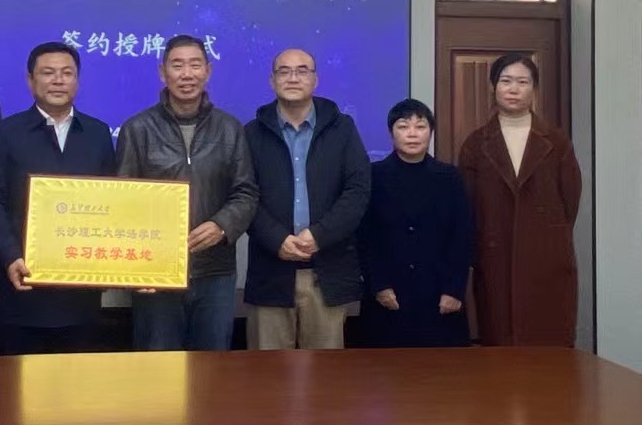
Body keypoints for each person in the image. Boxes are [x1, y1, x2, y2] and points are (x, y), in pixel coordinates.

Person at [114, 35, 258, 350]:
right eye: (177, 65)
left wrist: (222, 225)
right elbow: (123, 201)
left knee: (211, 368)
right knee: (158, 369)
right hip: (156, 272)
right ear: (162, 72)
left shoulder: (230, 128)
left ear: (208, 70)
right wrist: (135, 269)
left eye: (195, 65)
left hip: (215, 270)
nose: (187, 74)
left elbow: (246, 192)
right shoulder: (137, 129)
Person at [0, 42, 116, 355]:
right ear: (30, 80)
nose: (58, 80)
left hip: (80, 295)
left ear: (77, 80)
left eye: (67, 73)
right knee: (18, 381)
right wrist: (10, 255)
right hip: (21, 285)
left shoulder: (97, 133)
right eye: (48, 73)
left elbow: (111, 203)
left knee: (76, 381)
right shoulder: (5, 133)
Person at [244, 48, 371, 350]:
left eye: (302, 71)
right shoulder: (251, 133)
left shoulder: (342, 128)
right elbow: (244, 195)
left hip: (327, 272)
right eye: (284, 71)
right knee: (266, 372)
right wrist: (276, 239)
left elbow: (357, 190)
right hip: (271, 272)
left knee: (325, 374)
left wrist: (319, 235)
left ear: (315, 79)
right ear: (272, 80)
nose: (293, 78)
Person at [457, 53, 582, 346]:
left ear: (534, 89)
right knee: (499, 343)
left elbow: (570, 201)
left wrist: (548, 236)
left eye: (523, 82)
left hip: (546, 257)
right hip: (494, 256)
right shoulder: (475, 144)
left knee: (548, 344)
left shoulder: (557, 142)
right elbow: (467, 205)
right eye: (506, 81)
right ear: (493, 87)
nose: (514, 89)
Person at [357, 99, 472, 348]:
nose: (412, 134)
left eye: (420, 127)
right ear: (391, 132)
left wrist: (454, 289)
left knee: (442, 368)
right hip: (388, 293)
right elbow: (364, 237)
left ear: (430, 132)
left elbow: (461, 236)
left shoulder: (449, 177)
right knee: (384, 367)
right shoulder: (372, 176)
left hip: (438, 293)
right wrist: (379, 285)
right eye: (403, 126)